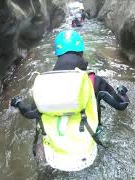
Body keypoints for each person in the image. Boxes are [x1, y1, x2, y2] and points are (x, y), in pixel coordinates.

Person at [11, 30, 129, 171]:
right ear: (81, 53)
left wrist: (18, 103)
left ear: (58, 55)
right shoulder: (93, 81)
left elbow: (29, 113)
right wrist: (122, 92)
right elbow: (121, 105)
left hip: (53, 155)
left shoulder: (44, 84)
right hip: (87, 152)